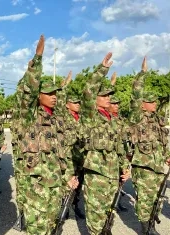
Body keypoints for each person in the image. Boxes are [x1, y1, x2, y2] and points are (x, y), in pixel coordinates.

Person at [16, 35, 78, 234]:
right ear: (39, 95)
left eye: (55, 94)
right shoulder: (29, 116)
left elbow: (64, 152)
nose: (54, 97)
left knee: (53, 229)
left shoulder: (56, 120)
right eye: (49, 93)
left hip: (55, 188)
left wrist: (69, 176)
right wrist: (37, 60)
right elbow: (27, 92)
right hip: (36, 189)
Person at [80, 52, 130, 234]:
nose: (109, 98)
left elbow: (119, 147)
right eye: (104, 95)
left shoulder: (112, 120)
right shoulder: (91, 116)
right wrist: (102, 70)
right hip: (97, 173)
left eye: (110, 95)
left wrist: (125, 167)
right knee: (96, 211)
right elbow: (88, 91)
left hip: (112, 173)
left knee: (109, 209)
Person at [128, 57, 170, 234]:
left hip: (158, 164)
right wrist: (143, 74)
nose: (154, 104)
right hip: (144, 166)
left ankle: (151, 223)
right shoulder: (138, 117)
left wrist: (168, 155)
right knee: (145, 198)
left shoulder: (158, 120)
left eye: (155, 101)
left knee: (157, 198)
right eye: (151, 101)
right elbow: (136, 93)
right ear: (143, 104)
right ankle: (145, 228)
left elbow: (165, 140)